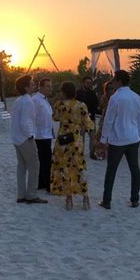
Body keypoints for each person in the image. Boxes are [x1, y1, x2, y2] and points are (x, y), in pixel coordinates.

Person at [98, 70, 140, 209]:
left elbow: (109, 120)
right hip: (133, 137)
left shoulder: (115, 98)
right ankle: (135, 199)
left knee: (111, 170)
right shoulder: (136, 97)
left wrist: (103, 138)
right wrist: (138, 132)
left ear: (119, 81)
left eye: (114, 80)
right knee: (134, 169)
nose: (112, 82)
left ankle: (106, 201)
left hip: (117, 139)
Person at [50, 81, 95, 210]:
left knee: (65, 169)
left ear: (63, 92)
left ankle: (69, 200)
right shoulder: (81, 106)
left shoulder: (59, 105)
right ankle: (85, 198)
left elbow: (55, 118)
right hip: (76, 140)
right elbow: (88, 123)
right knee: (79, 168)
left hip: (63, 140)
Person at [11, 75, 47, 204]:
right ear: (26, 88)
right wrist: (30, 136)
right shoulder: (27, 101)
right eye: (32, 84)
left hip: (16, 138)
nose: (34, 86)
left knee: (21, 166)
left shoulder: (19, 100)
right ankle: (31, 195)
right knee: (34, 166)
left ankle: (21, 195)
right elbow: (25, 122)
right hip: (25, 138)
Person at [33, 78, 54, 191]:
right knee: (46, 160)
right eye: (47, 86)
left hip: (47, 134)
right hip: (40, 135)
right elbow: (32, 118)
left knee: (44, 160)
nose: (50, 88)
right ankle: (46, 184)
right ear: (40, 87)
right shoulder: (36, 100)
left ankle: (41, 183)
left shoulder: (45, 100)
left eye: (51, 86)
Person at [76, 76, 100, 160]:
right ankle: (80, 154)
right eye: (87, 82)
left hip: (91, 118)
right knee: (80, 138)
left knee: (93, 137)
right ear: (83, 83)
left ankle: (92, 153)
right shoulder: (77, 93)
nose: (89, 84)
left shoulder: (92, 93)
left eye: (90, 83)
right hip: (81, 120)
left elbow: (96, 104)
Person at [95, 80, 115, 160]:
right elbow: (100, 107)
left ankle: (110, 152)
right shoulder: (104, 96)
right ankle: (102, 152)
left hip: (114, 118)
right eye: (109, 88)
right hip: (104, 117)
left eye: (112, 88)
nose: (110, 90)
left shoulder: (116, 96)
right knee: (101, 135)